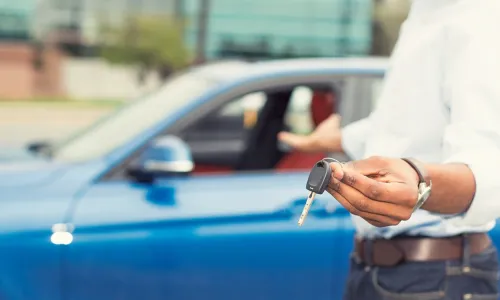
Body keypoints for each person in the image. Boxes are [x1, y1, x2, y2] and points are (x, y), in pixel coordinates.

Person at [278, 0, 500, 299]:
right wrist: (340, 138)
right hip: (374, 269)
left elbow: (491, 164)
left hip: (437, 276)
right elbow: (405, 124)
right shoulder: (422, 13)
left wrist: (419, 179)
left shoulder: (481, 17)